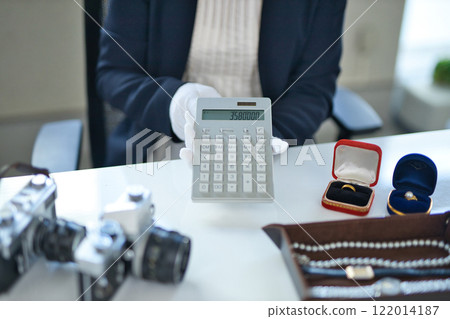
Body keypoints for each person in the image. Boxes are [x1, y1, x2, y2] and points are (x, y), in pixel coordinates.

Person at [97, 0, 347, 166]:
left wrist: (265, 136)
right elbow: (115, 72)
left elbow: (314, 88)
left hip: (274, 150)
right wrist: (178, 102)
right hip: (160, 148)